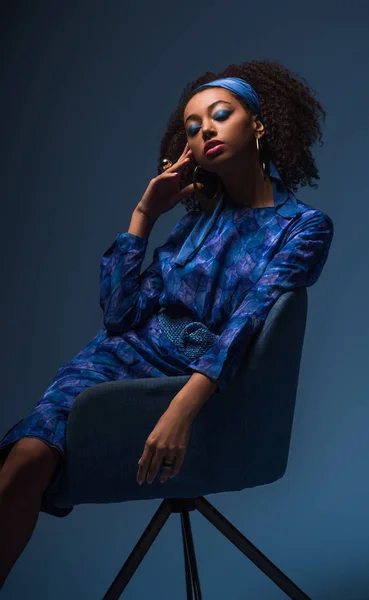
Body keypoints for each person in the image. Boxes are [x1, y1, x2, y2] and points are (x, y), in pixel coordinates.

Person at [0, 58, 334, 588]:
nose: (206, 132)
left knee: (28, 465)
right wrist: (145, 215)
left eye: (220, 115)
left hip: (194, 383)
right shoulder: (195, 219)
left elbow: (248, 323)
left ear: (260, 125)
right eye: (193, 128)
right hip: (116, 361)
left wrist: (183, 407)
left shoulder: (302, 227)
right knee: (25, 461)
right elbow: (119, 317)